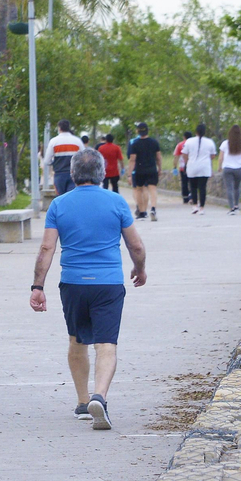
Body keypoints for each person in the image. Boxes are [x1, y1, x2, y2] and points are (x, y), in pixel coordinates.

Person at [29, 148, 147, 430]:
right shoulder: (116, 202)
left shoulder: (59, 204)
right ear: (102, 173)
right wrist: (139, 268)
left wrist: (37, 286)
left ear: (72, 174)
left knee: (77, 341)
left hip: (73, 284)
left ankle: (83, 402)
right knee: (106, 344)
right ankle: (100, 397)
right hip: (108, 284)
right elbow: (136, 245)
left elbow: (47, 247)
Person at [125, 122, 162, 222]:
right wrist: (160, 168)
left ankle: (142, 212)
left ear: (138, 131)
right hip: (151, 169)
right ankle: (153, 208)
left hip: (139, 170)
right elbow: (158, 157)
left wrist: (129, 174)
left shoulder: (135, 144)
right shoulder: (154, 142)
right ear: (147, 130)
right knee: (152, 189)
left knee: (139, 190)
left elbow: (132, 159)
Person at [42, 119, 86, 198]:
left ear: (59, 128)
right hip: (74, 174)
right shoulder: (77, 141)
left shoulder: (54, 141)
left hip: (59, 174)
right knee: (72, 197)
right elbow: (84, 157)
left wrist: (54, 163)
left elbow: (46, 161)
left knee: (60, 198)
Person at [182, 124, 218, 215]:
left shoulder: (189, 141)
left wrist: (187, 161)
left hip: (192, 166)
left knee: (193, 187)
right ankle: (202, 207)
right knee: (202, 187)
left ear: (196, 132)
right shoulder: (210, 142)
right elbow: (213, 155)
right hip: (204, 167)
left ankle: (194, 205)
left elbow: (184, 154)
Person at [219, 125, 241, 214]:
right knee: (237, 187)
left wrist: (219, 166)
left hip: (227, 168)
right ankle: (236, 205)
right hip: (239, 168)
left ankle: (231, 208)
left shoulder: (225, 143)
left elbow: (220, 157)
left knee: (229, 188)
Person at [175, 131, 194, 204]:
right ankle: (192, 196)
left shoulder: (180, 145)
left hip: (182, 167)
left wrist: (174, 166)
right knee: (192, 182)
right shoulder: (194, 144)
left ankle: (185, 198)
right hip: (192, 165)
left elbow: (176, 157)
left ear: (184, 137)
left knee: (184, 183)